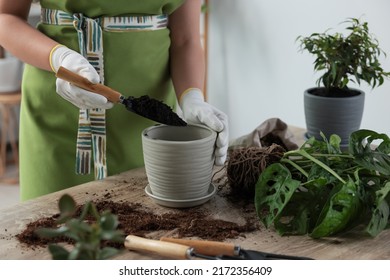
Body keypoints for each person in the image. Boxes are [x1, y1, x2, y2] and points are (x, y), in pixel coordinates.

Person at [0, 0, 228, 201]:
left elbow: (185, 39)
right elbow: (6, 17)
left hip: (146, 125)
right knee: (51, 236)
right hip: (59, 113)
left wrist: (192, 97)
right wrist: (60, 59)